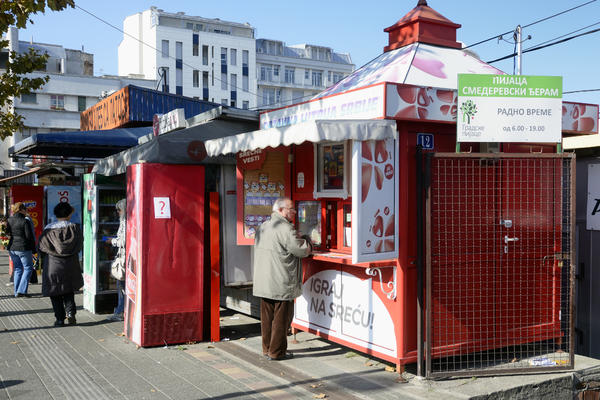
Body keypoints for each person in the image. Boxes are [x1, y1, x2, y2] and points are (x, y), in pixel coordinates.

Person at [253, 197, 312, 361]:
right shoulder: (286, 228)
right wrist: (308, 241)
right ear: (280, 210)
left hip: (264, 280)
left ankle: (266, 349)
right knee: (281, 319)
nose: (294, 212)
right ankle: (277, 352)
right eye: (291, 209)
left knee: (267, 319)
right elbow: (301, 250)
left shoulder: (263, 226)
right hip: (280, 280)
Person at [38, 202, 84, 327]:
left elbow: (41, 246)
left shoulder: (48, 229)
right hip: (70, 264)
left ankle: (59, 319)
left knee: (54, 291)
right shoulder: (75, 228)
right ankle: (71, 313)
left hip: (53, 264)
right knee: (68, 290)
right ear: (69, 214)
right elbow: (80, 245)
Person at [6, 202, 36, 297]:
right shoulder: (25, 221)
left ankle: (16, 292)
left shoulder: (10, 220)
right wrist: (34, 249)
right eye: (25, 209)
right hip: (23, 248)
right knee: (28, 268)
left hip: (12, 248)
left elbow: (7, 233)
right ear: (22, 210)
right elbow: (29, 236)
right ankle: (21, 291)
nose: (26, 211)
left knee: (17, 269)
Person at [106, 198, 126, 322]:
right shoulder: (126, 221)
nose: (117, 212)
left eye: (119, 210)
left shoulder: (126, 222)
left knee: (122, 286)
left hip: (124, 258)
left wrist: (112, 241)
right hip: (125, 257)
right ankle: (120, 310)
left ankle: (120, 311)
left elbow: (123, 241)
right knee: (122, 286)